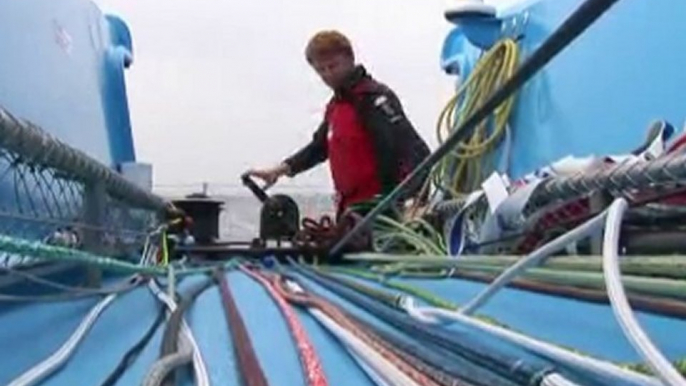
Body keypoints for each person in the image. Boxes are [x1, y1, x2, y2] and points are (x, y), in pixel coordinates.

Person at [246, 30, 431, 219]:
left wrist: (414, 201)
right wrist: (279, 170)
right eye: (321, 70)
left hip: (382, 212)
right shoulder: (336, 107)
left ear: (350, 60)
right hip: (350, 215)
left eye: (333, 66)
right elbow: (319, 148)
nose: (328, 75)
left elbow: (417, 151)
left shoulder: (373, 99)